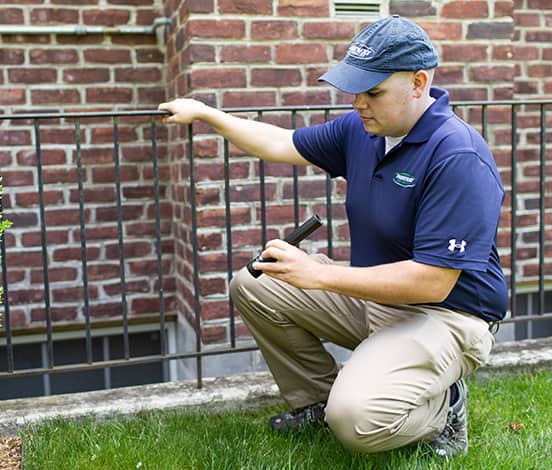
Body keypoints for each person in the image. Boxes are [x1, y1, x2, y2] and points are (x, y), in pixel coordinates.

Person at [158, 15, 507, 458]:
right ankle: (317, 403)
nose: (359, 102)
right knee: (254, 286)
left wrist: (318, 276)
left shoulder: (457, 155)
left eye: (373, 91)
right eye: (355, 89)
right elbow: (280, 143)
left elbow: (433, 281)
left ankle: (444, 406)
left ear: (419, 83)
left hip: (446, 314)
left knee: (358, 423)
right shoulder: (363, 130)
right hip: (377, 297)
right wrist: (207, 114)